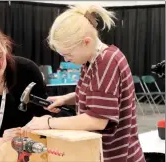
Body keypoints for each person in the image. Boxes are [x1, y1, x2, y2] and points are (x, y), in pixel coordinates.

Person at [22, 5, 146, 162]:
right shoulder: (92, 61)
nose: (66, 60)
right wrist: (66, 99)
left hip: (116, 156)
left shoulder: (106, 63)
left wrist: (48, 122)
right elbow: (97, 94)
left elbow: (97, 120)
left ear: (86, 42)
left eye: (68, 54)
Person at [0, 24, 67, 161]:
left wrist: (46, 119)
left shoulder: (27, 70)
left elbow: (44, 114)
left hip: (30, 144)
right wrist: (1, 142)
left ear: (5, 47)